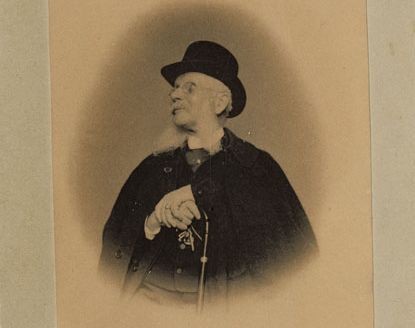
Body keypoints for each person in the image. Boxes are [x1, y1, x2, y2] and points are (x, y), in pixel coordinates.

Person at [99, 41, 316, 308]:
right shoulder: (151, 167)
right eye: (175, 88)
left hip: (224, 310)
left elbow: (289, 252)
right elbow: (115, 242)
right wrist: (152, 222)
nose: (175, 95)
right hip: (150, 307)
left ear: (220, 102)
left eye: (189, 88)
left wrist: (199, 192)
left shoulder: (256, 166)